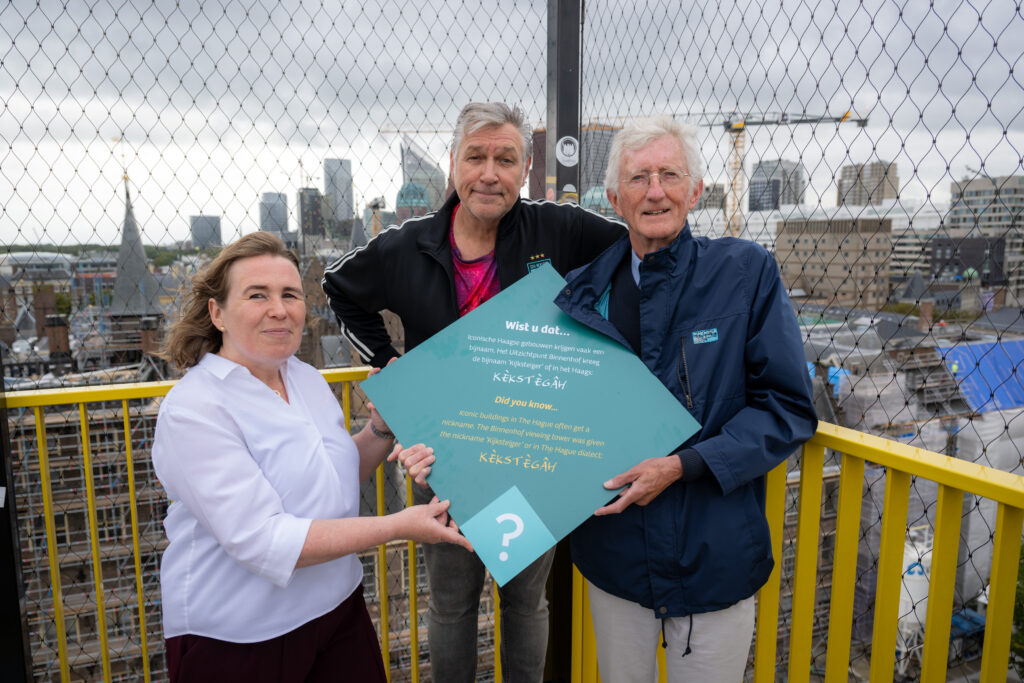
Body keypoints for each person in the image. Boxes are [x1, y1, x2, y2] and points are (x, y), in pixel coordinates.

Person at [322, 102, 625, 682]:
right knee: (451, 603)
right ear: (453, 163)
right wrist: (387, 363)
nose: (489, 173)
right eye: (476, 157)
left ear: (526, 168)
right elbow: (338, 287)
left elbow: (632, 252)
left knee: (525, 601)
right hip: (443, 452)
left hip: (529, 446)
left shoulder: (557, 228)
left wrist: (592, 340)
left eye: (505, 160)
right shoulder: (407, 244)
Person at [552, 116, 818, 681]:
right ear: (614, 199)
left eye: (669, 175)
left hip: (713, 558)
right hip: (616, 556)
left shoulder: (745, 273)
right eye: (639, 178)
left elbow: (788, 407)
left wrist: (683, 465)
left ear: (695, 191)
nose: (655, 191)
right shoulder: (579, 295)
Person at [152, 232, 471, 683]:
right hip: (241, 635)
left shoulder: (304, 378)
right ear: (217, 313)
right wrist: (399, 525)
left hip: (338, 610)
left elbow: (333, 477)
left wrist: (380, 429)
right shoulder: (194, 408)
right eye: (257, 295)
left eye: (290, 295)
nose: (279, 309)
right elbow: (264, 540)